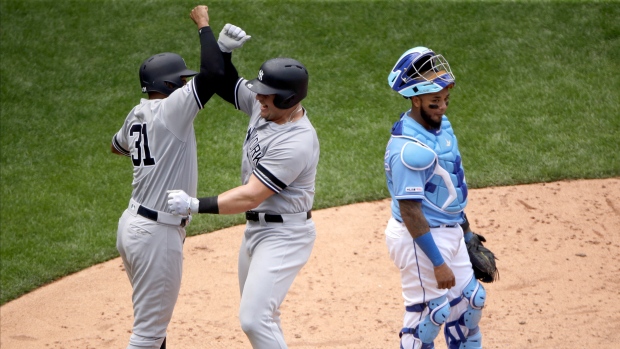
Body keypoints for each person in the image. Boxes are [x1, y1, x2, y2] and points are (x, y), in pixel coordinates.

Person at [166, 24, 320, 349]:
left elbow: (252, 194)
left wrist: (196, 205)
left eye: (266, 92)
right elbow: (227, 85)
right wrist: (222, 52)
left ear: (289, 97)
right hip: (255, 233)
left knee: (253, 319)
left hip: (285, 236)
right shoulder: (267, 109)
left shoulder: (297, 140)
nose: (259, 97)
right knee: (264, 317)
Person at [110, 6, 225, 349]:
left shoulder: (138, 111)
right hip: (156, 237)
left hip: (132, 226)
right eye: (183, 81)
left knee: (153, 326)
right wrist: (205, 27)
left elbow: (118, 147)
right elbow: (214, 73)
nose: (188, 85)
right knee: (147, 335)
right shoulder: (174, 109)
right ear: (171, 85)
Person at [383, 46, 486, 349]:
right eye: (434, 101)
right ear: (415, 100)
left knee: (471, 303)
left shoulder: (442, 130)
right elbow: (412, 212)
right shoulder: (408, 149)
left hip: (449, 229)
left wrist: (466, 233)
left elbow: (448, 190)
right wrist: (439, 262)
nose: (442, 107)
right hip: (420, 239)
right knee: (432, 314)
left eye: (444, 100)